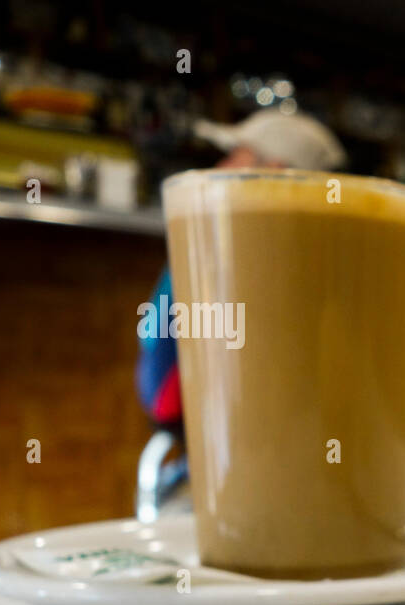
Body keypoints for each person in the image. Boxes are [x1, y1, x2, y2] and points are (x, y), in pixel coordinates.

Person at [135, 111, 347, 427]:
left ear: (274, 169)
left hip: (203, 420)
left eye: (236, 156)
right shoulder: (313, 254)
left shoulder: (239, 246)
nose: (221, 167)